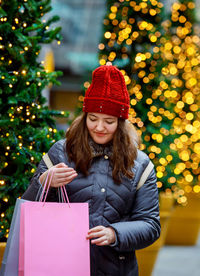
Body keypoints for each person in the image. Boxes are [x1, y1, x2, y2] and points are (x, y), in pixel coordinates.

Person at [22, 65, 160, 276]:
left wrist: (115, 234)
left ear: (121, 123)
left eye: (109, 121)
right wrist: (44, 183)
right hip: (61, 265)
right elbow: (29, 211)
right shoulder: (61, 152)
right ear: (84, 116)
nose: (99, 127)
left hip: (116, 268)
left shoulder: (139, 164)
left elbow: (150, 225)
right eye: (93, 119)